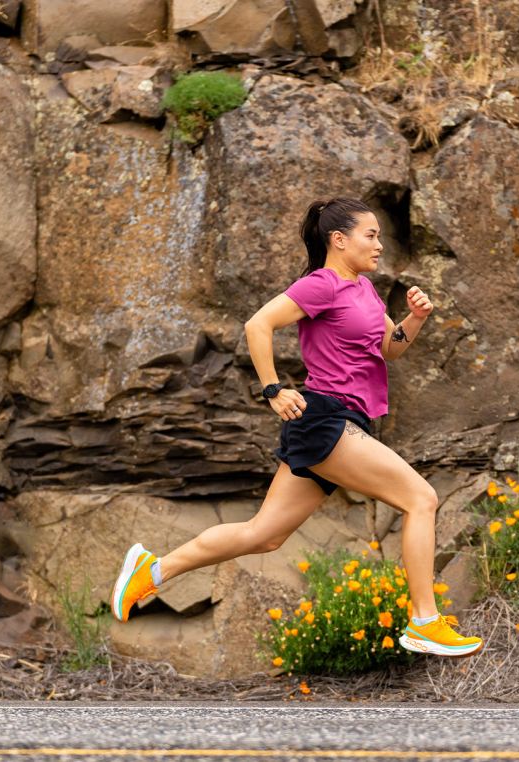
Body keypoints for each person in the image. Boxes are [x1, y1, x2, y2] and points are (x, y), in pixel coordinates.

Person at [110, 197, 483, 658]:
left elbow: (389, 348)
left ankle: (152, 571)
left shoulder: (363, 289)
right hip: (324, 418)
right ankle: (425, 621)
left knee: (264, 534)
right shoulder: (321, 284)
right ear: (339, 239)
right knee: (421, 499)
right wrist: (272, 390)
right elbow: (258, 324)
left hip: (343, 422)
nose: (380, 245)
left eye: (380, 237)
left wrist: (416, 318)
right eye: (371, 235)